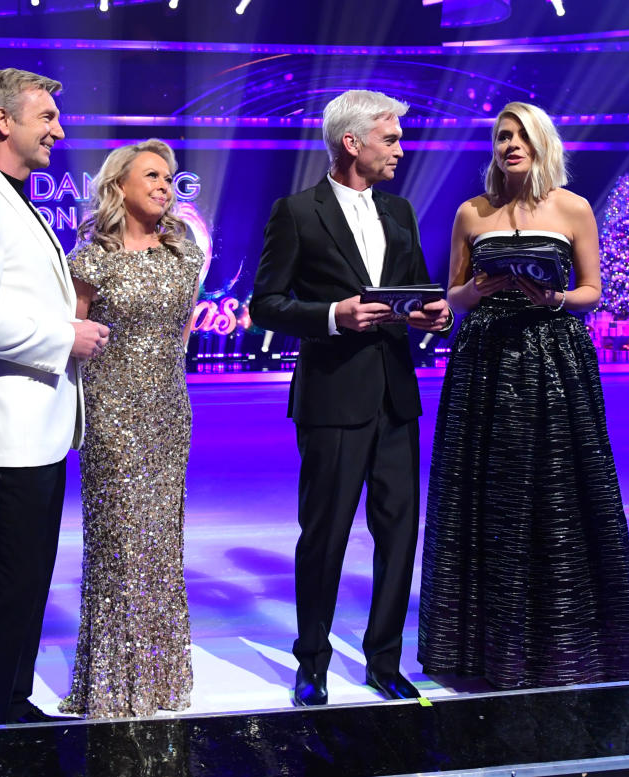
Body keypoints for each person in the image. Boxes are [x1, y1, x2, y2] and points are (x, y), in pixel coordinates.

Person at [417, 102, 629, 689]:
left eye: (519, 135)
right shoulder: (472, 212)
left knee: (559, 488)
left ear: (542, 142)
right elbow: (454, 299)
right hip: (485, 363)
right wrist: (480, 286)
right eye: (500, 136)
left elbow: (593, 291)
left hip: (554, 359)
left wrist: (554, 300)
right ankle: (484, 636)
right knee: (484, 492)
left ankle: (564, 627)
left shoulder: (574, 208)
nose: (509, 144)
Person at [251, 90, 452, 707]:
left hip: (396, 397)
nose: (400, 149)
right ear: (352, 143)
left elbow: (414, 291)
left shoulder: (401, 210)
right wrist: (333, 315)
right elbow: (266, 304)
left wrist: (431, 314)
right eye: (389, 139)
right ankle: (310, 663)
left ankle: (384, 661)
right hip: (333, 399)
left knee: (398, 533)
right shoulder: (298, 212)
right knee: (326, 533)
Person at [0, 67, 109, 727]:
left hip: (35, 425)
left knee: (27, 577)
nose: (59, 132)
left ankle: (6, 704)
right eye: (47, 119)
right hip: (4, 426)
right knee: (9, 580)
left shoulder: (14, 198)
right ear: (3, 120)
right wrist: (62, 335)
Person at [58, 139, 203, 718]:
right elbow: (69, 333)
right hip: (113, 415)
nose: (166, 185)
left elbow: (180, 338)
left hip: (170, 415)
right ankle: (113, 681)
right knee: (119, 543)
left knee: (162, 543)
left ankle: (160, 679)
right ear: (119, 186)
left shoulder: (184, 255)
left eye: (169, 177)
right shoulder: (92, 258)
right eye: (152, 175)